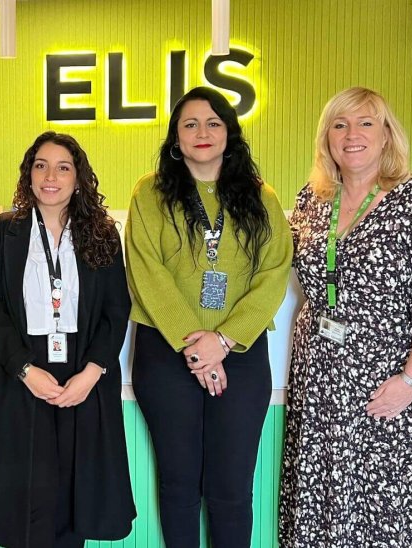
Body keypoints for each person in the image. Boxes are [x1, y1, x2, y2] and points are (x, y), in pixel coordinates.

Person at [278, 87, 412, 546]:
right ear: (326, 138)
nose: (352, 135)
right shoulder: (313, 199)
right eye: (340, 125)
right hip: (322, 377)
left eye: (366, 123)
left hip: (388, 375)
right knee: (325, 492)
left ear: (387, 135)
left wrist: (410, 381)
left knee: (393, 500)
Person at [124, 86, 293, 547]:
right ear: (175, 139)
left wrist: (222, 341)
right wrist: (193, 342)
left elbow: (274, 273)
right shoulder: (150, 193)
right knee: (179, 485)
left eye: (213, 122)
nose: (202, 132)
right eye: (190, 124)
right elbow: (146, 271)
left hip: (240, 354)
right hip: (165, 352)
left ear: (229, 133)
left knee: (231, 489)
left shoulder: (262, 197)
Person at [0, 132, 136, 548]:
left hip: (84, 372)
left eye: (63, 167)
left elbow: (116, 310)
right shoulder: (1, 232)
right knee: (27, 495)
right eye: (41, 165)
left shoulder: (102, 233)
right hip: (23, 371)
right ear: (28, 175)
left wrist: (92, 374)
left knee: (76, 494)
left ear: (78, 178)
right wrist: (25, 370)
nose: (51, 176)